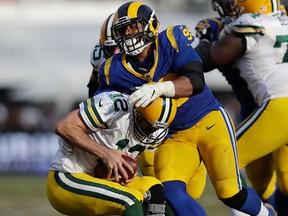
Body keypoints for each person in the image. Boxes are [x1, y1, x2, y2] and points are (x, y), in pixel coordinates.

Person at [96, 1, 276, 215]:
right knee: (170, 191)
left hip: (209, 121)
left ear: (151, 25)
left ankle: (266, 213)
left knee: (231, 194)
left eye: (134, 27)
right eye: (123, 30)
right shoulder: (112, 69)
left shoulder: (171, 39)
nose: (129, 34)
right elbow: (106, 109)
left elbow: (196, 80)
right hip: (174, 135)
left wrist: (161, 88)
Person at [195, 0, 288, 215]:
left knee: (223, 160)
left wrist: (208, 40)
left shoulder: (248, 24)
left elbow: (211, 58)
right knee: (280, 181)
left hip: (277, 109)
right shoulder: (280, 22)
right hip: (267, 110)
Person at [46, 90, 178, 216]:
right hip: (68, 176)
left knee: (156, 190)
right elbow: (64, 126)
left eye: (157, 127)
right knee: (131, 200)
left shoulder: (157, 129)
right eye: (149, 125)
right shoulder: (114, 106)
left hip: (103, 179)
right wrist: (106, 154)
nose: (151, 131)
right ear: (138, 112)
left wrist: (128, 170)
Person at [88, 13, 120, 97]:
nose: (115, 53)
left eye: (120, 48)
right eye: (111, 48)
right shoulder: (98, 56)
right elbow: (93, 85)